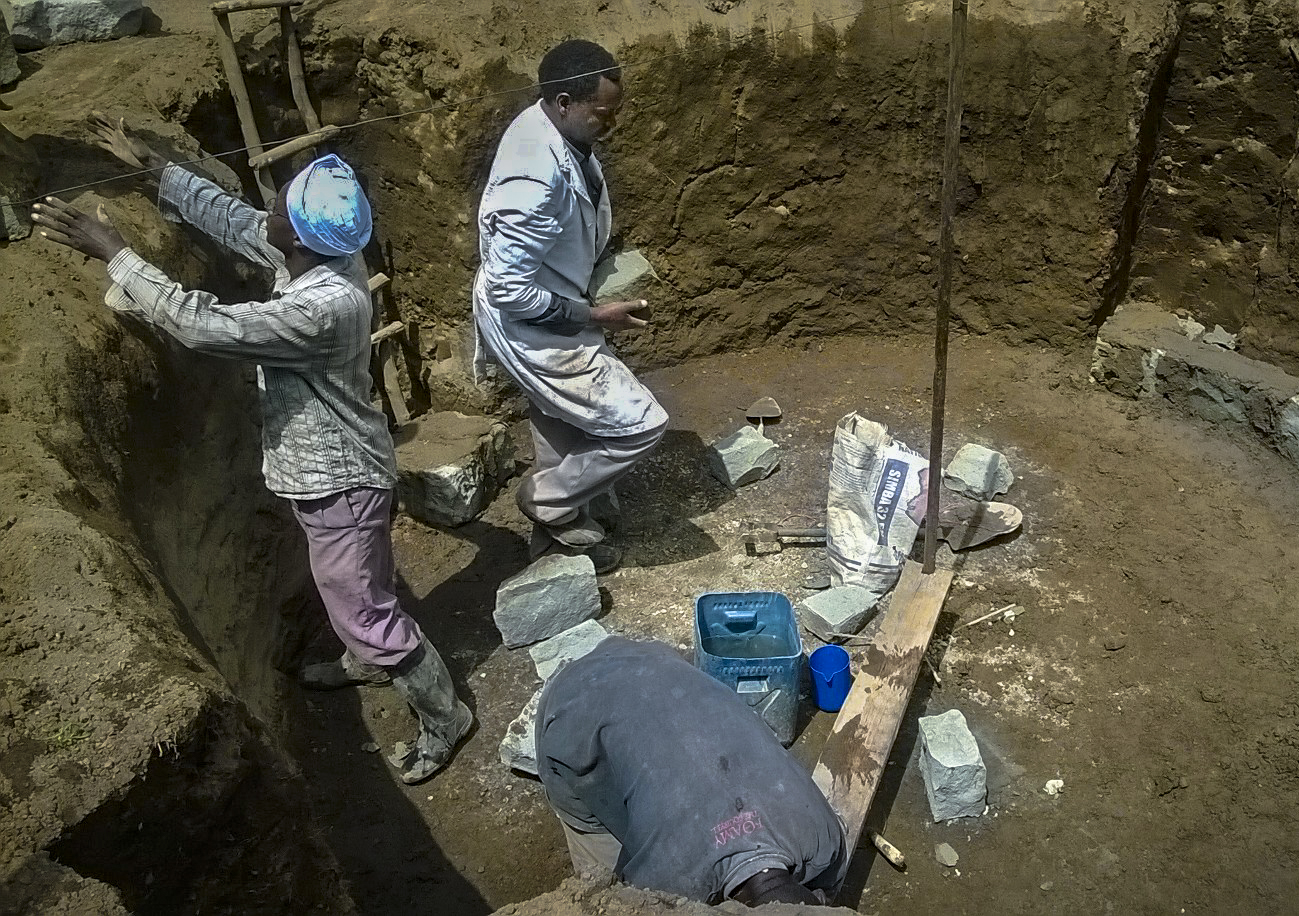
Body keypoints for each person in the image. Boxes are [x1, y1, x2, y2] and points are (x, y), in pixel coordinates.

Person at [32, 115, 472, 784]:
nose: (264, 207)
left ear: (296, 236)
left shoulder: (324, 305)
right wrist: (160, 173)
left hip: (340, 483)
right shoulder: (320, 252)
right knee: (361, 586)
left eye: (279, 205)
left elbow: (203, 324)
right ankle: (368, 647)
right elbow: (240, 222)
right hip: (339, 477)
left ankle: (444, 717)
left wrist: (116, 252)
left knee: (362, 606)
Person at [473, 39, 669, 574]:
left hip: (553, 292)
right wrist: (592, 315)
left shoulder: (555, 127)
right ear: (564, 102)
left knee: (558, 413)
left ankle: (562, 534)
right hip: (529, 319)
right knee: (643, 425)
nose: (613, 124)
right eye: (604, 113)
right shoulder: (532, 179)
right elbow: (507, 290)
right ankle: (548, 501)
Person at [534, 637, 846, 906]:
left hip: (655, 660)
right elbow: (628, 903)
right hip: (572, 711)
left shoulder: (822, 836)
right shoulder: (667, 881)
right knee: (604, 883)